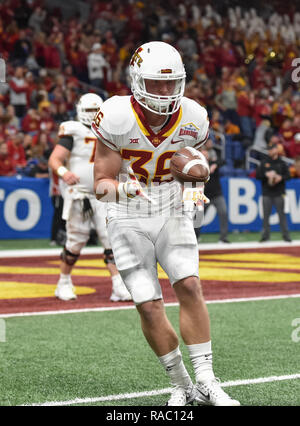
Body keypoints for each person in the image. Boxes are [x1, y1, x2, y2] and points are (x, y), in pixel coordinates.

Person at [92, 41, 240, 406]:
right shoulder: (115, 114)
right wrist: (125, 190)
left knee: (189, 284)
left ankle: (206, 381)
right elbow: (100, 186)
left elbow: (193, 167)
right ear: (136, 81)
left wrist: (193, 193)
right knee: (147, 302)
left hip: (172, 203)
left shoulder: (194, 115)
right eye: (156, 83)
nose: (164, 91)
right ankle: (181, 385)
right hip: (127, 209)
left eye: (171, 82)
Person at [48, 93, 131, 302]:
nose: (92, 115)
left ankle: (118, 285)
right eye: (89, 111)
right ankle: (63, 282)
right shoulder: (72, 130)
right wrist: (63, 173)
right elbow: (55, 159)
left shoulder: (109, 132)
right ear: (79, 111)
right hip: (80, 195)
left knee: (111, 238)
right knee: (76, 240)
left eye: (96, 111)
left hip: (103, 194)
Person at [256, 143, 292, 242]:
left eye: (272, 149)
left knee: (282, 215)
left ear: (276, 150)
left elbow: (288, 176)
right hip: (267, 192)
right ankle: (265, 236)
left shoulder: (282, 162)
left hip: (279, 192)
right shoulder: (264, 162)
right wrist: (266, 175)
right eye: (269, 150)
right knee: (266, 216)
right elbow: (257, 175)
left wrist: (280, 177)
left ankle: (286, 236)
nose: (270, 151)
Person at [200, 141, 230, 243]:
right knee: (198, 218)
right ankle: (195, 237)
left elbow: (223, 161)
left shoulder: (213, 163)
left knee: (223, 213)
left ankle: (223, 238)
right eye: (203, 155)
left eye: (206, 155)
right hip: (204, 196)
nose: (205, 157)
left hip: (217, 194)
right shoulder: (198, 166)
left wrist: (215, 164)